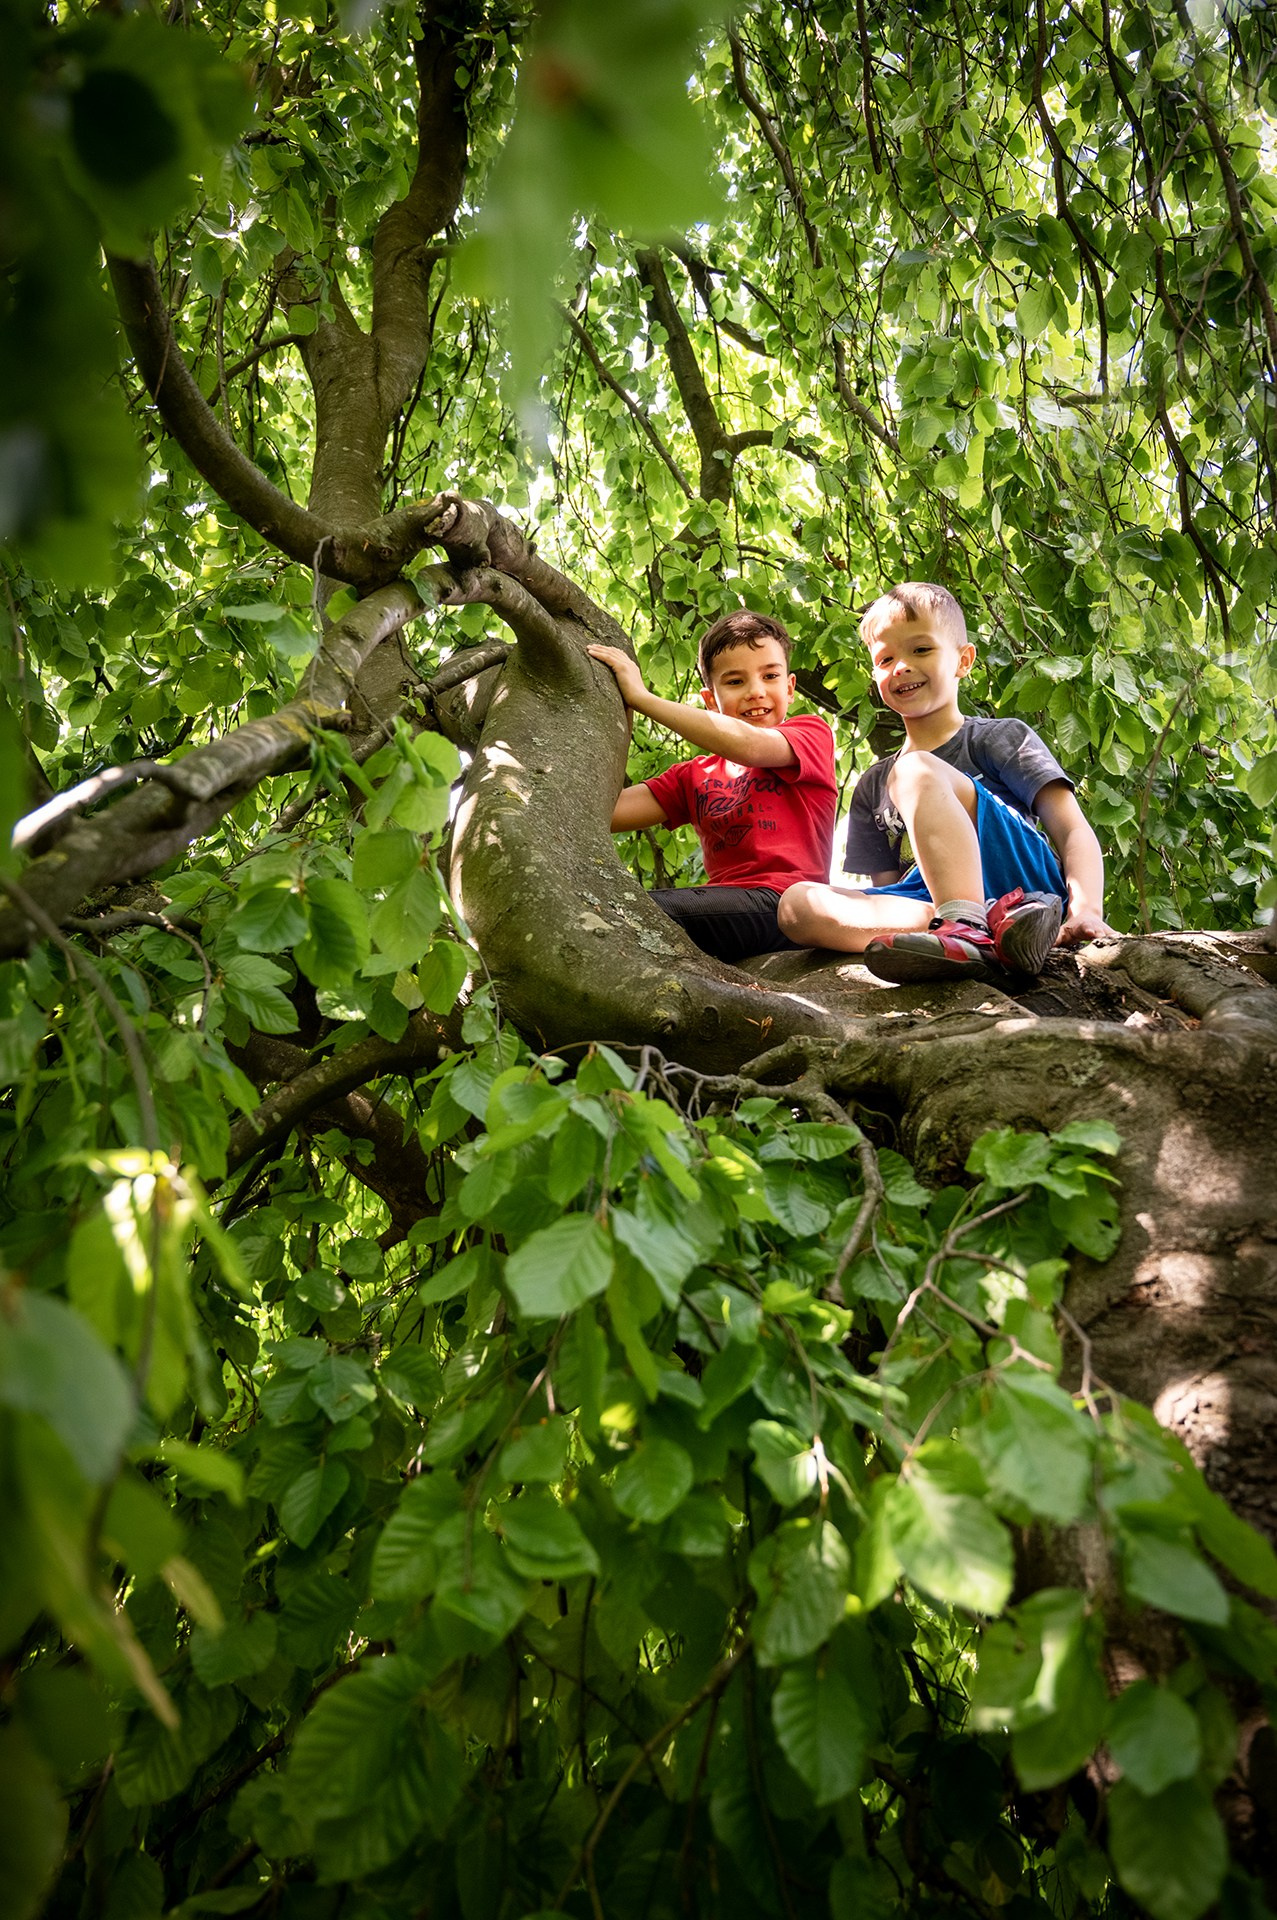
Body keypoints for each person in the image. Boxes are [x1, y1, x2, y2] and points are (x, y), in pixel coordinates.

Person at [777, 582, 1114, 981]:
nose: (901, 666)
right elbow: (889, 888)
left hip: (1021, 887)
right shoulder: (873, 784)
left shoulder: (998, 737)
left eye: (921, 649)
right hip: (930, 904)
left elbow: (1071, 828)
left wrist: (1086, 910)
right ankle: (974, 934)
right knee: (796, 904)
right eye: (885, 659)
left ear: (963, 660)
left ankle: (974, 925)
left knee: (915, 770)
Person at [586, 610, 837, 966]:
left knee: (632, 911)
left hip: (789, 905)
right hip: (726, 912)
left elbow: (750, 746)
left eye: (770, 676)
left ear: (790, 687)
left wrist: (642, 698)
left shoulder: (810, 735)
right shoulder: (692, 775)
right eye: (735, 681)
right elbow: (598, 811)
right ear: (710, 700)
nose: (756, 692)